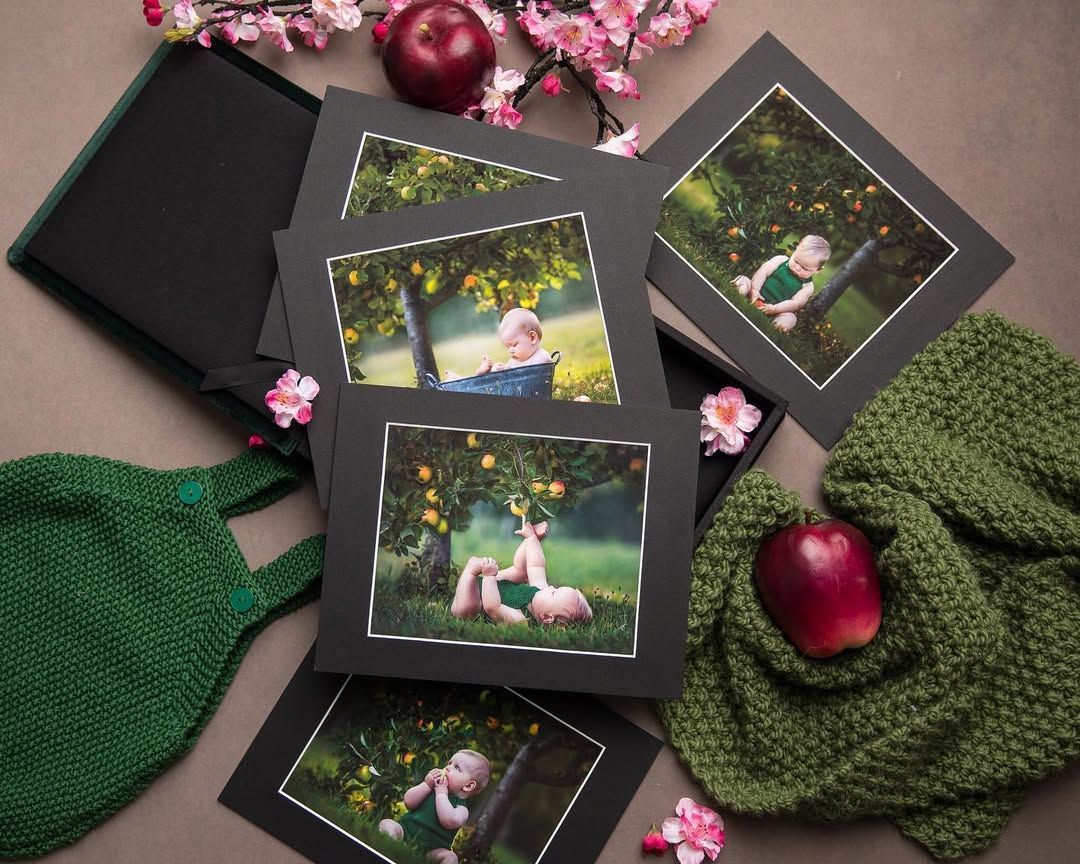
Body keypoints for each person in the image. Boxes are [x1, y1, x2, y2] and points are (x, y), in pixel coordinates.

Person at [450, 520, 593, 626]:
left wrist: (488, 576)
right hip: (496, 584)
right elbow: (537, 567)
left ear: (547, 617)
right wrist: (533, 540)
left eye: (554, 593)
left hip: (479, 599)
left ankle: (471, 570)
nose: (550, 587)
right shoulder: (540, 591)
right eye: (556, 588)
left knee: (466, 611)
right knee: (521, 573)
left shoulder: (521, 620)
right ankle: (530, 537)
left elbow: (492, 607)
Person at [377, 749, 491, 864]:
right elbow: (408, 802)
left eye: (457, 767)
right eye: (449, 763)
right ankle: (389, 851)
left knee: (451, 858)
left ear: (468, 785)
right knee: (388, 824)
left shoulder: (461, 809)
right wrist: (426, 784)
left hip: (431, 852)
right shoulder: (430, 788)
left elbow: (448, 820)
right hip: (405, 833)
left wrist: (441, 794)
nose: (447, 768)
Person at [730, 235, 832, 333]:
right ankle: (737, 293)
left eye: (805, 268)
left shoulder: (807, 287)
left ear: (818, 270)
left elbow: (795, 303)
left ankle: (773, 326)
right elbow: (763, 271)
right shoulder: (780, 260)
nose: (797, 268)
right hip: (754, 293)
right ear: (796, 249)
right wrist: (754, 290)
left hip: (775, 310)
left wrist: (774, 309)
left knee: (791, 318)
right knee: (743, 280)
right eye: (796, 261)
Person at [444, 307, 553, 380]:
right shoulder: (513, 362)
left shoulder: (541, 357)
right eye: (507, 346)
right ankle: (468, 378)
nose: (510, 350)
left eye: (514, 344)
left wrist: (508, 371)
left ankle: (461, 383)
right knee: (486, 381)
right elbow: (508, 380)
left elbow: (529, 378)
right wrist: (498, 370)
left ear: (532, 337)